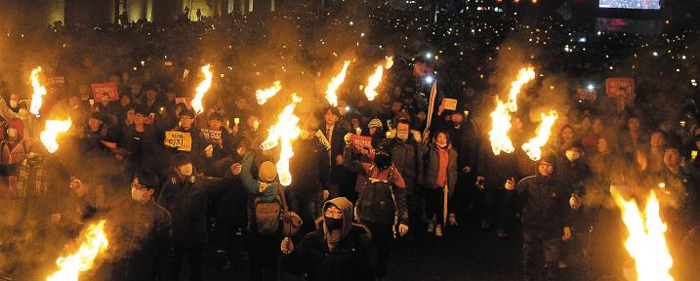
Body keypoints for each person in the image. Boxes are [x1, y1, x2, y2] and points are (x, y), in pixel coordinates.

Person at [156, 153, 239, 281]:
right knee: (174, 269)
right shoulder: (169, 185)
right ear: (175, 169)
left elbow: (222, 184)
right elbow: (161, 208)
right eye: (183, 165)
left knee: (196, 270)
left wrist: (231, 173)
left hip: (196, 235)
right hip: (176, 235)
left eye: (188, 163)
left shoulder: (201, 182)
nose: (187, 166)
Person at [343, 134, 409, 280]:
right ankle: (364, 274)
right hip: (366, 217)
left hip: (385, 220)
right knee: (363, 247)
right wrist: (347, 146)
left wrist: (403, 221)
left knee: (382, 250)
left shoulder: (394, 175)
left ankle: (379, 275)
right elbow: (348, 164)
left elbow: (401, 199)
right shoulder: (369, 168)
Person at [505, 154, 576, 281]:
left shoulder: (560, 186)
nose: (545, 168)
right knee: (529, 257)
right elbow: (515, 203)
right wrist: (510, 191)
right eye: (543, 164)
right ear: (538, 166)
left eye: (549, 165)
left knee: (552, 260)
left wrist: (566, 225)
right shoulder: (526, 183)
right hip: (531, 226)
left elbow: (565, 208)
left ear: (554, 168)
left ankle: (551, 277)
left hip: (552, 228)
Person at [281, 197, 374, 281]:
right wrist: (290, 253)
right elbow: (298, 269)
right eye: (329, 211)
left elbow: (366, 275)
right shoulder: (312, 240)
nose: (331, 215)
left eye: (337, 212)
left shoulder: (357, 244)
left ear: (346, 216)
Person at [106, 170, 173, 281]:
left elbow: (166, 255)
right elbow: (101, 213)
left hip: (143, 274)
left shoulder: (161, 216)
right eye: (133, 185)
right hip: (119, 273)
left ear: (150, 191)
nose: (134, 189)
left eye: (139, 187)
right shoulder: (123, 207)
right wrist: (81, 192)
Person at [238, 151, 285, 281]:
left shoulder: (253, 187)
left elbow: (244, 172)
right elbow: (283, 166)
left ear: (259, 173)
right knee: (271, 262)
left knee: (255, 262)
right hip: (274, 231)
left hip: (254, 231)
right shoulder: (280, 187)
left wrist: (250, 152)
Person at [422, 130, 458, 237]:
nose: (442, 139)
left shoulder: (452, 153)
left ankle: (438, 225)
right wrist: (424, 140)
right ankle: (430, 222)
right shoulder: (430, 149)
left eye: (444, 137)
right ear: (435, 138)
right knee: (430, 204)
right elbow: (421, 153)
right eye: (440, 137)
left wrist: (452, 183)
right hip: (431, 182)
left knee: (440, 206)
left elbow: (453, 169)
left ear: (447, 140)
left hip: (444, 185)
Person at [319, 107, 348, 199]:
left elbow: (347, 148)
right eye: (328, 114)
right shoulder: (318, 131)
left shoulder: (343, 132)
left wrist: (342, 156)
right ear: (324, 116)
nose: (330, 117)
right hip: (319, 169)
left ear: (337, 118)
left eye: (333, 115)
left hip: (335, 169)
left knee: (334, 198)